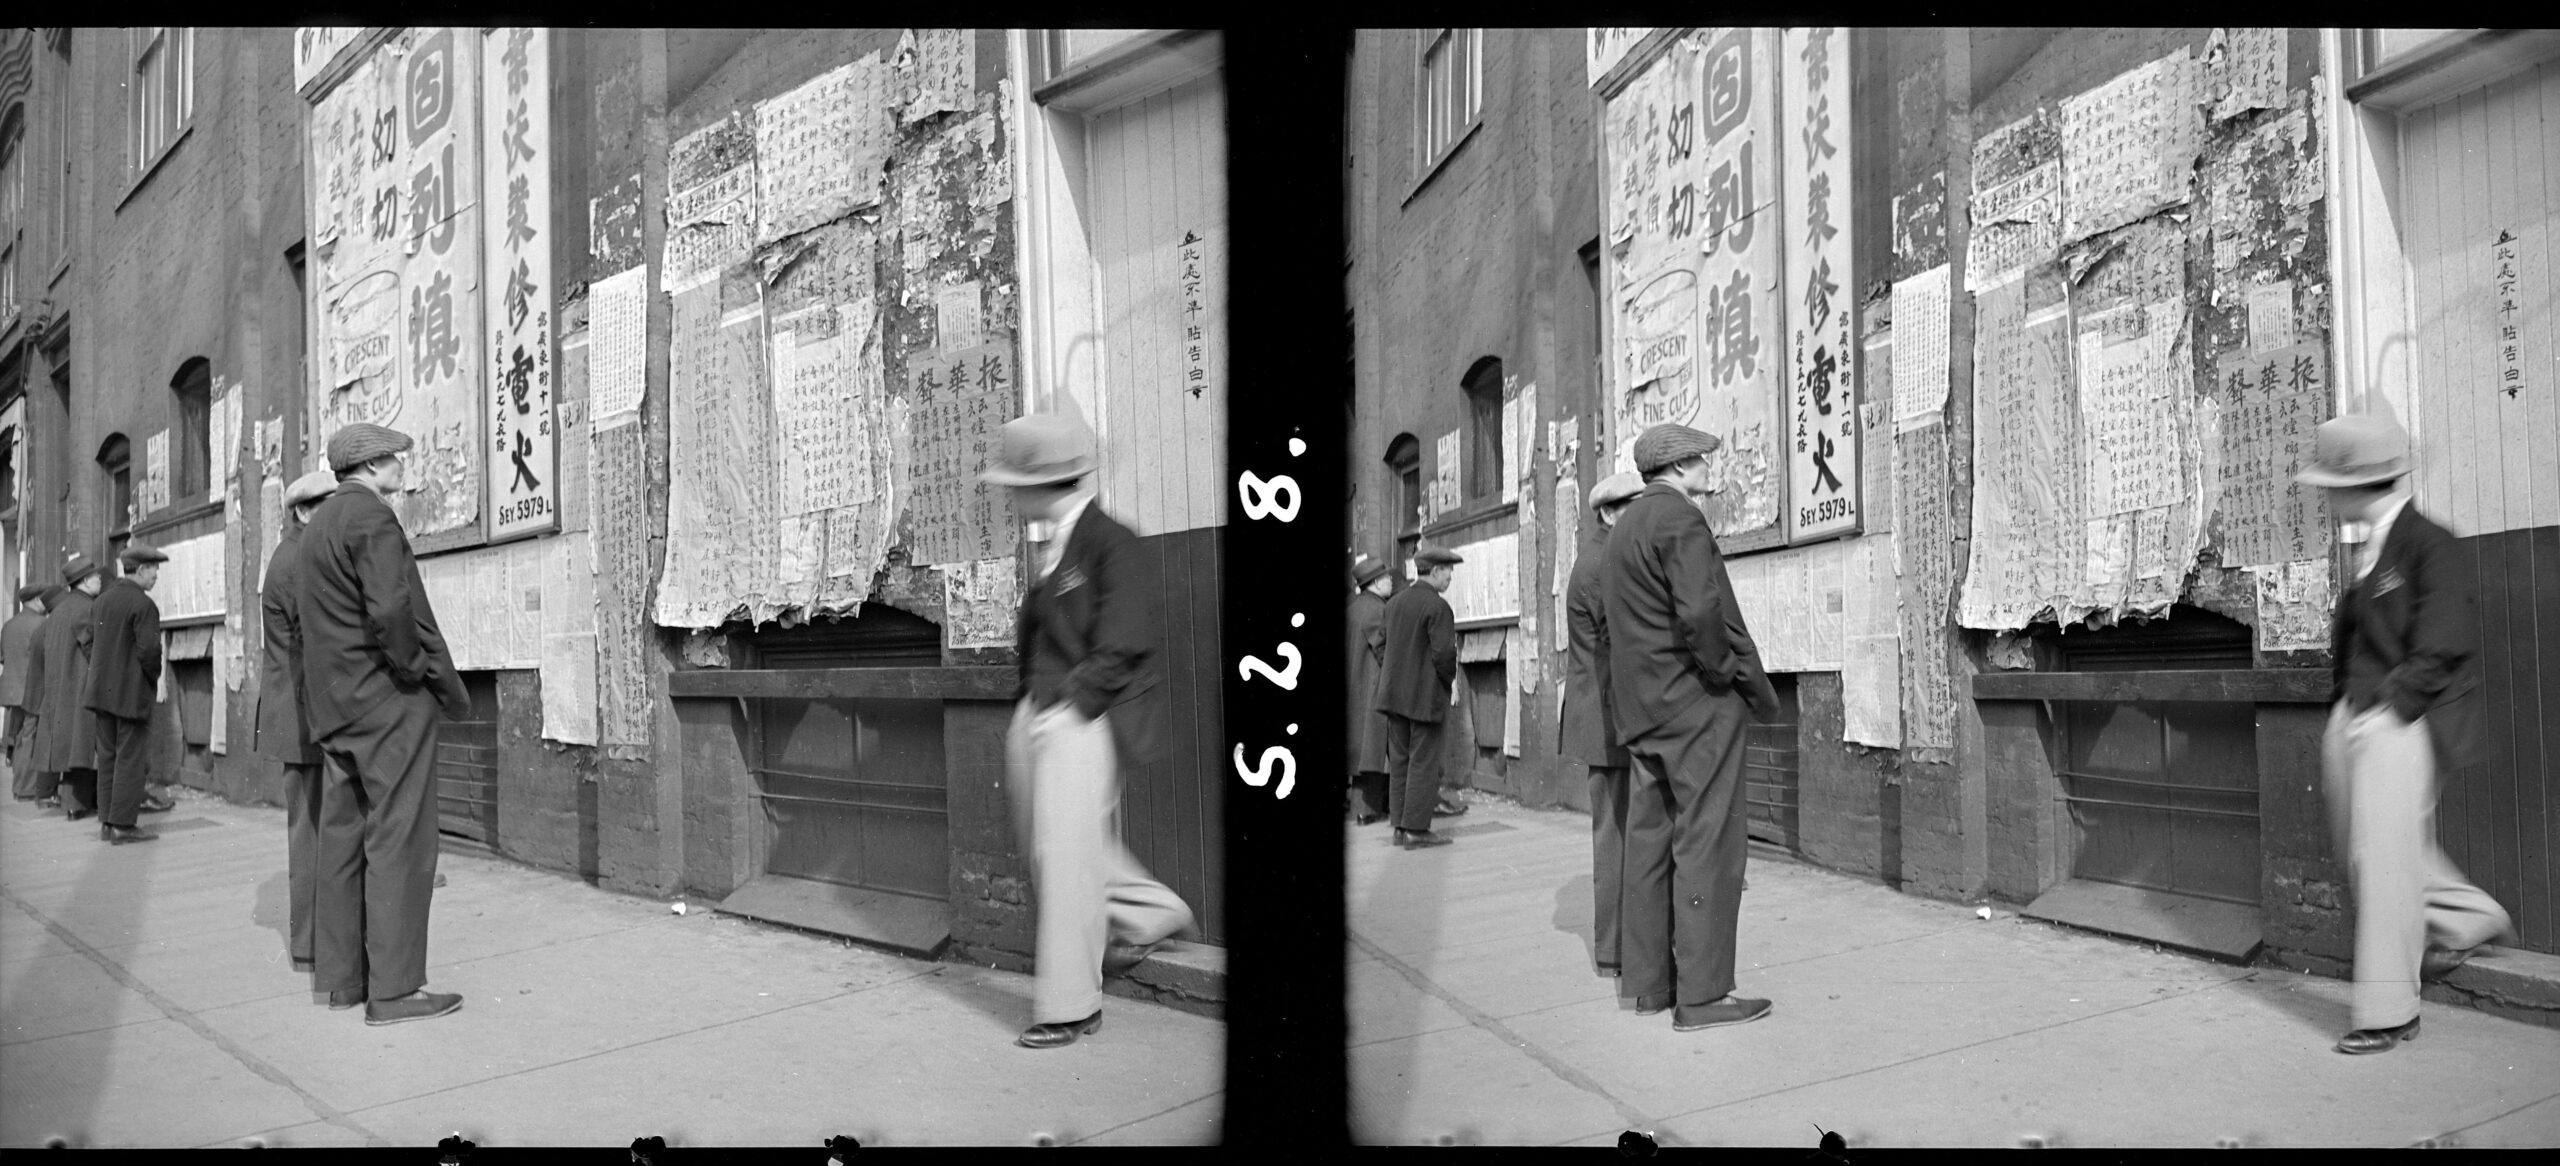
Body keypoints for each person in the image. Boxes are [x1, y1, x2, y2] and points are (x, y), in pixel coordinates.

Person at [2293, 403, 2512, 1055]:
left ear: (2359, 486)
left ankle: (2388, 1011)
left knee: (2381, 858)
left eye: (2330, 489)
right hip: (2355, 713)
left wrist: (2391, 706)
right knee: (2361, 849)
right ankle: (2471, 918)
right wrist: (2342, 709)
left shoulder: (2428, 542)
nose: (2326, 501)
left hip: (2398, 718)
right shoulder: (2370, 548)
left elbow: (2443, 642)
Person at [982, 410, 1193, 1050]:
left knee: (1066, 854)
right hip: (1041, 712)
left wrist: (1069, 707)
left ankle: (1071, 1006)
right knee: (1051, 847)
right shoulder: (1056, 544)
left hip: (1084, 716)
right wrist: (1030, 710)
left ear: (1047, 484)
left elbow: (1124, 642)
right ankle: (1154, 913)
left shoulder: (1111, 542)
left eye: (1017, 483)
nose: (1011, 496)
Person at [1604, 423, 1781, 1032]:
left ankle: (1650, 986)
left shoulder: (1624, 526)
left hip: (1644, 712)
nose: (1708, 466)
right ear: (1678, 469)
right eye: (1702, 459)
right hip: (1693, 707)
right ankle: (1702, 997)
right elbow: (1700, 612)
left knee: (1650, 842)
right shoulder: (1680, 520)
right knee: (1708, 840)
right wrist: (1722, 673)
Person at [298, 423, 472, 1026]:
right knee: (400, 836)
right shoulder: (372, 519)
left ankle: (345, 981)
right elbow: (390, 609)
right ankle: (394, 992)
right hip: (385, 703)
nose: (402, 464)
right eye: (395, 457)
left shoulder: (317, 525)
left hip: (336, 707)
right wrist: (413, 670)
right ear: (370, 467)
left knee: (343, 838)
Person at [258, 469, 343, 974]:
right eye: (327, 510)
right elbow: (317, 644)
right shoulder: (295, 562)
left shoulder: (293, 554)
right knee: (309, 835)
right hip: (302, 717)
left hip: (298, 715)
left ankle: (315, 943)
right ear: (304, 512)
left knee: (310, 831)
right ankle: (311, 946)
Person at [1561, 471, 1643, 980]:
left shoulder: (1599, 554)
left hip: (1603, 715)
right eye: (1633, 510)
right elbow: (1626, 637)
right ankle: (1615, 950)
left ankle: (1619, 948)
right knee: (1614, 835)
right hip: (1608, 718)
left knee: (1618, 832)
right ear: (1611, 513)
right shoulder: (1601, 563)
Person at [85, 544, 175, 843]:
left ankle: (107, 823)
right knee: (130, 759)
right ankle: (124, 825)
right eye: (153, 570)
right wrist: (150, 679)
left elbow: (89, 643)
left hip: (102, 694)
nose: (156, 576)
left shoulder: (101, 602)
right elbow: (150, 652)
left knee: (108, 758)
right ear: (139, 569)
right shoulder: (143, 605)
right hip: (131, 693)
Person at [1376, 546, 1463, 849]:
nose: (1451, 576)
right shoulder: (1438, 607)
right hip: (1424, 698)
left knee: (1400, 761)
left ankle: (1400, 827)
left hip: (1393, 696)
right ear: (1435, 571)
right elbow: (1444, 655)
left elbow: (1381, 646)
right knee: (1424, 762)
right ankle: (1416, 829)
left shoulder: (1394, 603)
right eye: (1448, 570)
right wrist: (1445, 682)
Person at [32, 556, 107, 822]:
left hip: (58, 691)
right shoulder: (87, 609)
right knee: (85, 747)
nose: (100, 580)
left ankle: (72, 804)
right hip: (80, 690)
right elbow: (95, 651)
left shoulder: (59, 611)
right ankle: (79, 804)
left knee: (71, 748)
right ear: (85, 581)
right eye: (97, 577)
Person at [1345, 555, 1395, 825]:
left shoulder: (1352, 608)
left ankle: (1363, 808)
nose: (1390, 581)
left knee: (1364, 751)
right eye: (1386, 578)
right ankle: (1370, 810)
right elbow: (1384, 652)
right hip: (1374, 690)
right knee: (1376, 749)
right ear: (1376, 583)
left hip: (1356, 688)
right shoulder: (1378, 610)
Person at [4, 584, 49, 800]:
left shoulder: (9, 625)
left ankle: (20, 784)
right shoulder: (41, 624)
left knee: (19, 737)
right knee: (29, 738)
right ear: (37, 600)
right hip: (31, 691)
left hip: (12, 691)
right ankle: (25, 787)